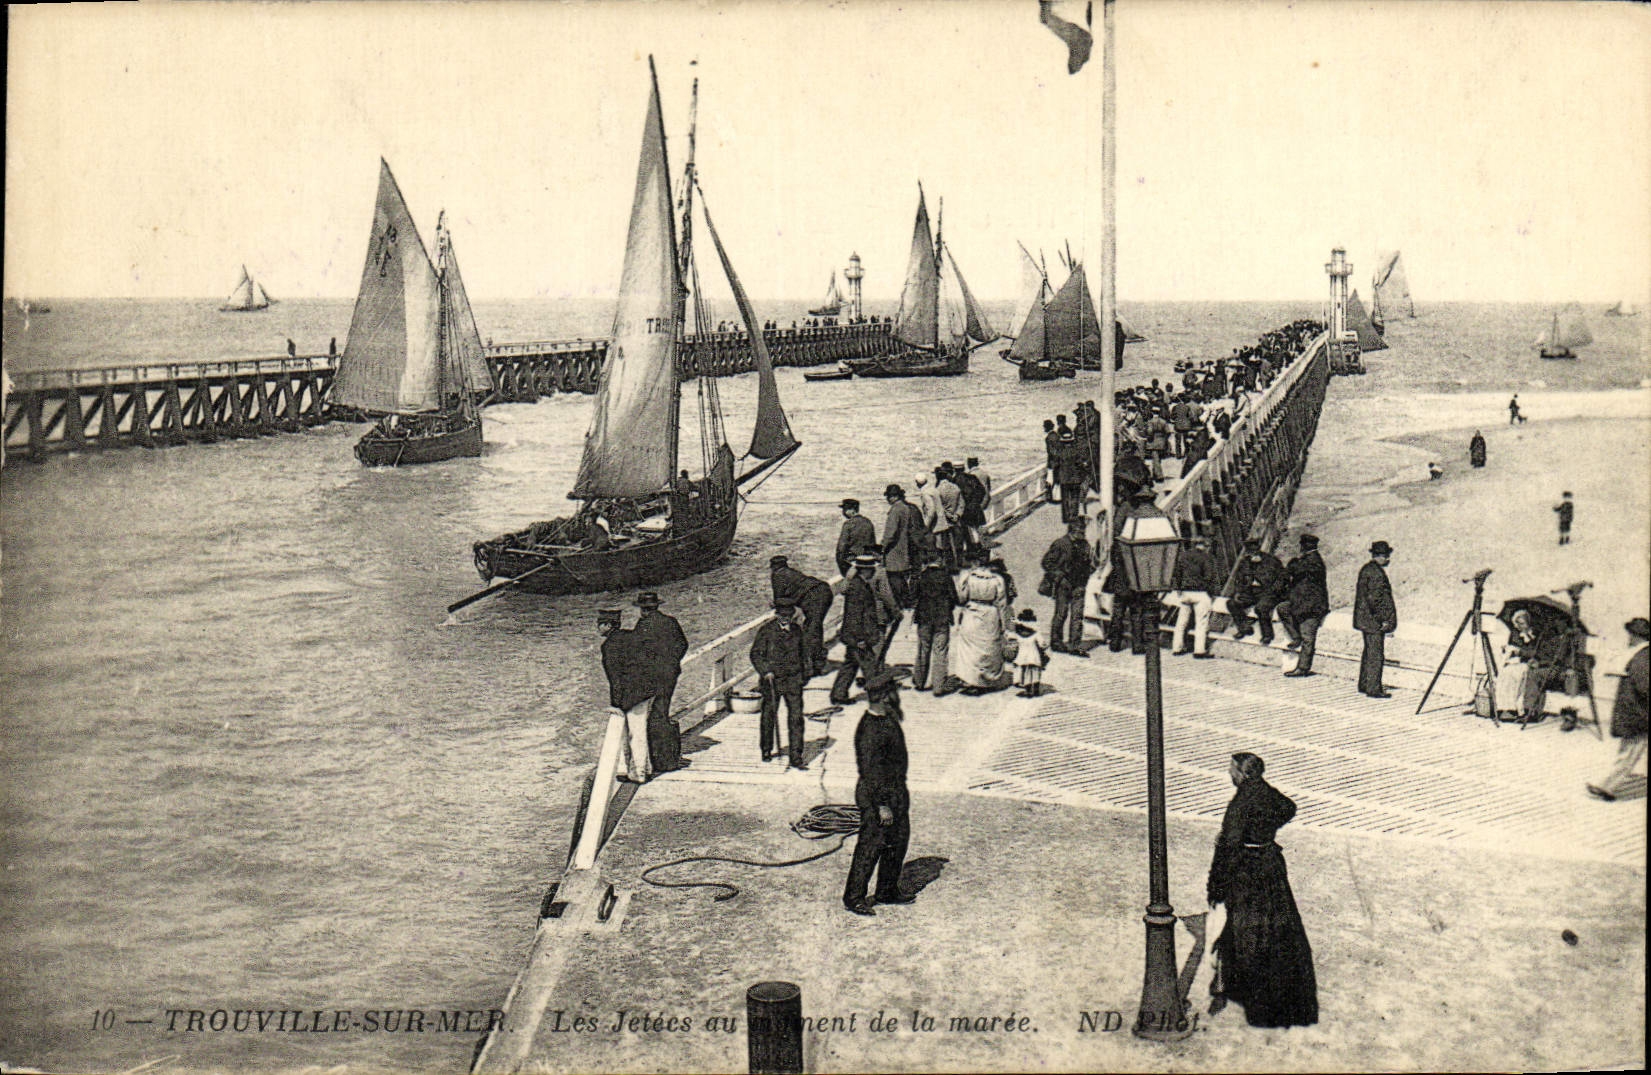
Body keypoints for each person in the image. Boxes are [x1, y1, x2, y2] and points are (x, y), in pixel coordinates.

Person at [1206, 753, 1318, 1028]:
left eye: (1232, 770)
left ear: (1243, 774)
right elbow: (1288, 807)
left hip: (1247, 871)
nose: (1230, 774)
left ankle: (1233, 989)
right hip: (1270, 864)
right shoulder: (1266, 791)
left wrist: (1216, 885)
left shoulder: (1240, 803)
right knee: (1277, 926)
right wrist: (1266, 830)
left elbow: (1228, 846)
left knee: (1242, 928)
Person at [842, 669, 912, 916]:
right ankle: (854, 897)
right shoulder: (870, 730)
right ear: (883, 696)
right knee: (871, 846)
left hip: (896, 792)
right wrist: (882, 805)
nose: (896, 695)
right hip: (877, 796)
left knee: (898, 842)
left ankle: (887, 890)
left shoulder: (887, 719)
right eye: (893, 691)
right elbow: (871, 772)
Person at [1588, 618, 1649, 801]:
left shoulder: (1642, 656)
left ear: (1636, 636)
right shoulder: (1642, 655)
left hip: (1637, 711)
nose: (1628, 638)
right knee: (1630, 752)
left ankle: (1605, 785)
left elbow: (1644, 686)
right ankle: (1605, 785)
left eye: (1630, 635)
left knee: (1629, 751)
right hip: (1638, 712)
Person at [632, 592, 690, 773]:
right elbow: (683, 644)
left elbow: (638, 651)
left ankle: (661, 758)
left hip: (652, 677)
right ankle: (667, 755)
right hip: (670, 674)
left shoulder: (643, 625)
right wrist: (672, 662)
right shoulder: (670, 622)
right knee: (662, 710)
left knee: (654, 715)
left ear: (643, 609)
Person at [750, 596, 808, 768]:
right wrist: (765, 671)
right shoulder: (766, 631)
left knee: (796, 718)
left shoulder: (797, 631)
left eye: (788, 615)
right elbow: (756, 654)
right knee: (769, 716)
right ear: (776, 614)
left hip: (793, 680)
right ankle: (766, 749)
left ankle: (796, 756)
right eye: (782, 615)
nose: (785, 618)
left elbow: (804, 654)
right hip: (772, 681)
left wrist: (804, 675)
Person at [599, 610, 653, 783]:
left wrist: (615, 704)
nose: (598, 628)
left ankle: (638, 772)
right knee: (639, 732)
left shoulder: (609, 646)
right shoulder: (633, 636)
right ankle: (643, 768)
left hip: (629, 695)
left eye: (600, 624)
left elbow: (614, 678)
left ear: (608, 625)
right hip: (644, 690)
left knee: (632, 734)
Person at [953, 550, 1012, 693]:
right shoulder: (997, 579)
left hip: (972, 612)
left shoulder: (968, 577)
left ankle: (971, 679)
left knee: (970, 648)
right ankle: (986, 680)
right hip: (990, 614)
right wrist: (1004, 624)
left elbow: (961, 598)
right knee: (988, 647)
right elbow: (1002, 603)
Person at [831, 555, 887, 706]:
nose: (874, 572)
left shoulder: (857, 585)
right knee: (870, 667)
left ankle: (838, 694)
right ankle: (876, 696)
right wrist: (860, 639)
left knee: (850, 665)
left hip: (852, 635)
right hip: (859, 636)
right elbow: (855, 616)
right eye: (872, 569)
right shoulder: (859, 589)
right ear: (865, 571)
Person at [770, 555, 834, 679]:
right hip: (824, 591)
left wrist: (775, 604)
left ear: (773, 567)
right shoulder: (792, 572)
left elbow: (780, 599)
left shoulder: (777, 575)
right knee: (814, 629)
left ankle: (815, 666)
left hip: (814, 598)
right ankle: (816, 664)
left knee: (812, 632)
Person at [1040, 517, 1094, 656]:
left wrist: (1087, 574)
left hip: (1079, 584)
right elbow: (1047, 563)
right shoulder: (1060, 544)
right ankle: (1056, 642)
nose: (1082, 533)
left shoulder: (1085, 544)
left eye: (1083, 530)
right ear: (1072, 530)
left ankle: (1074, 645)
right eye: (1080, 530)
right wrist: (1058, 575)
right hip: (1064, 584)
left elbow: (1090, 562)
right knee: (1061, 613)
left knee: (1077, 615)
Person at [1278, 534, 1329, 678]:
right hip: (1301, 604)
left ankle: (1303, 668)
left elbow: (1295, 571)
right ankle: (1296, 637)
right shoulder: (1306, 561)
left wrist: (1293, 564)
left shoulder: (1314, 561)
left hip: (1312, 607)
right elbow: (1288, 573)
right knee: (1282, 608)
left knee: (1308, 638)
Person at [1353, 541, 1398, 698]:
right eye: (1386, 556)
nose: (1388, 559)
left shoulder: (1367, 569)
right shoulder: (1377, 574)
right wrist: (1383, 620)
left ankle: (1365, 684)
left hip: (1365, 619)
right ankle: (1373, 688)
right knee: (1375, 655)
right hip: (1374, 621)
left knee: (1368, 652)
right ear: (1379, 556)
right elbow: (1376, 600)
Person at [911, 552, 958, 696]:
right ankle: (938, 686)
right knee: (940, 651)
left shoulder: (921, 576)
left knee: (923, 649)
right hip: (942, 618)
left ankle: (919, 681)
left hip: (924, 617)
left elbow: (913, 596)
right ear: (939, 560)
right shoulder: (946, 576)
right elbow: (954, 598)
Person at [1228, 538, 1287, 644]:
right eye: (1250, 551)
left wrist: (1273, 591)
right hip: (1250, 592)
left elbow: (1282, 578)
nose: (1252, 554)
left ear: (1259, 548)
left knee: (1261, 608)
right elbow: (1239, 579)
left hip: (1268, 592)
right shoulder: (1245, 562)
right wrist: (1238, 592)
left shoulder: (1271, 561)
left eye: (1254, 550)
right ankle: (1244, 628)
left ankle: (1267, 635)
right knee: (1232, 603)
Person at [1168, 535, 1218, 658]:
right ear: (1204, 545)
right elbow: (1209, 577)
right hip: (1200, 593)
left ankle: (1177, 648)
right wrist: (1211, 593)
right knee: (1201, 623)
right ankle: (1199, 651)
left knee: (1181, 622)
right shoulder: (1206, 557)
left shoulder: (1183, 556)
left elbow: (1177, 574)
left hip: (1185, 593)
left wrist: (1179, 588)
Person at [881, 484, 926, 607]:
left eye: (888, 496)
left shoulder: (895, 510)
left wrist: (882, 547)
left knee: (894, 578)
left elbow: (890, 534)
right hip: (904, 548)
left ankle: (903, 604)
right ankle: (908, 602)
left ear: (893, 497)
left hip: (894, 550)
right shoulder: (906, 508)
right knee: (902, 578)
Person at [1495, 609, 1541, 722]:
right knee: (1506, 673)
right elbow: (1511, 647)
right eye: (1517, 624)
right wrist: (1507, 650)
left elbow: (1537, 653)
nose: (1519, 626)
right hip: (1517, 661)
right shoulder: (1515, 634)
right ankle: (1505, 709)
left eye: (1522, 623)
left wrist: (1520, 652)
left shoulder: (1537, 635)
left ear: (1528, 623)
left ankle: (1520, 710)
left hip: (1529, 662)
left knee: (1520, 675)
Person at [1011, 609, 1048, 698]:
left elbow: (1012, 642)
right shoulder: (1036, 634)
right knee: (1035, 674)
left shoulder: (1018, 634)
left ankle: (1028, 691)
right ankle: (1036, 690)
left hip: (1022, 657)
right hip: (1034, 656)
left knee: (1026, 674)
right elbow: (1043, 644)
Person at [835, 498, 877, 576]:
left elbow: (841, 548)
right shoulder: (868, 522)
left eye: (845, 509)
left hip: (852, 563)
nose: (843, 512)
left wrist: (842, 567)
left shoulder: (848, 524)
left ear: (852, 510)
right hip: (868, 562)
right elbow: (873, 543)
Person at [1053, 431, 1086, 524]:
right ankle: (1074, 516)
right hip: (1075, 479)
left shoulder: (1059, 452)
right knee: (1075, 498)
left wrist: (1056, 480)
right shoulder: (1076, 451)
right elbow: (1080, 464)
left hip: (1064, 479)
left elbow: (1056, 466)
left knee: (1065, 499)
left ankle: (1066, 518)